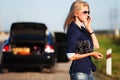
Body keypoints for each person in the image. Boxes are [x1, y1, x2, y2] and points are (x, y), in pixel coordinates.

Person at [64, 0, 103, 80]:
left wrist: (89, 28)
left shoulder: (83, 29)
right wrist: (91, 54)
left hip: (88, 72)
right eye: (85, 12)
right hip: (79, 73)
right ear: (75, 13)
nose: (88, 15)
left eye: (88, 12)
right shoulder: (73, 30)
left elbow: (96, 46)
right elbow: (70, 56)